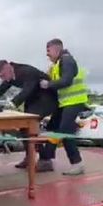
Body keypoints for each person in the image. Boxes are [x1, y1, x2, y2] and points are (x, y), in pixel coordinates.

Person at [0, 60, 58, 168]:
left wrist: (13, 103)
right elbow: (1, 90)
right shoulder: (10, 76)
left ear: (8, 68)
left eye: (3, 75)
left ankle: (45, 160)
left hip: (47, 99)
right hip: (34, 100)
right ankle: (30, 157)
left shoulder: (26, 71)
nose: (3, 79)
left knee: (29, 127)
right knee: (24, 129)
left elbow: (27, 90)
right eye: (0, 77)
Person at [38, 38, 89, 175]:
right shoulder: (58, 64)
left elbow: (66, 81)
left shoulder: (67, 60)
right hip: (65, 103)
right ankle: (46, 159)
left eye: (48, 51)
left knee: (65, 131)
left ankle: (77, 164)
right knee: (52, 128)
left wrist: (48, 84)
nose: (47, 55)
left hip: (74, 102)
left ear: (56, 49)